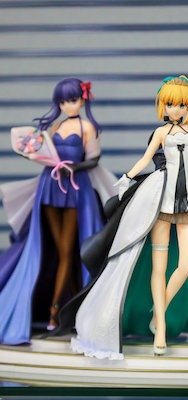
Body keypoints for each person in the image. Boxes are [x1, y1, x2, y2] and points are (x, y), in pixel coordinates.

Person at [70, 75, 188, 359]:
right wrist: (128, 177)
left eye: (182, 104)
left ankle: (158, 313)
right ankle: (159, 330)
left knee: (186, 265)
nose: (176, 109)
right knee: (158, 268)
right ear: (163, 106)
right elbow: (146, 158)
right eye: (171, 104)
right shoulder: (160, 133)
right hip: (161, 202)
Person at [0, 77, 116, 345]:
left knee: (66, 250)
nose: (67, 105)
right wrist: (33, 152)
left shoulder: (87, 127)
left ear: (82, 100)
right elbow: (45, 152)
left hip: (75, 188)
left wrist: (75, 167)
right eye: (63, 101)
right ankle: (70, 306)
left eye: (72, 100)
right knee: (56, 247)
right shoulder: (56, 126)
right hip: (50, 186)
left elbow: (94, 160)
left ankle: (56, 310)